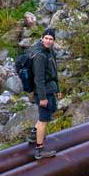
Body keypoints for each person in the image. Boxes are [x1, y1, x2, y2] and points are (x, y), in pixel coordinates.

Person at [31, 27, 60, 159]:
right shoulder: (40, 56)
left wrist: (57, 89)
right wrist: (42, 98)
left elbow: (54, 72)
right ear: (42, 38)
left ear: (53, 40)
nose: (48, 41)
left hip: (49, 89)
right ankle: (39, 149)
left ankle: (33, 135)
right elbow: (39, 78)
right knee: (44, 119)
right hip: (43, 92)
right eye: (46, 38)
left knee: (49, 112)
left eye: (51, 39)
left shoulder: (50, 52)